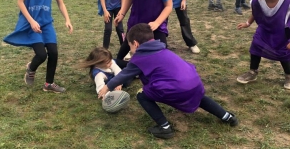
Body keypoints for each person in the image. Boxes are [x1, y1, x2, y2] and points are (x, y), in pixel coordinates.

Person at [98, 23, 238, 139]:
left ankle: (165, 128)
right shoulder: (163, 49)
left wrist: (106, 87)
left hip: (177, 89)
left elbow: (124, 75)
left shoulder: (139, 58)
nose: (130, 48)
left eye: (129, 45)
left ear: (135, 43)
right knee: (199, 97)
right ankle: (227, 117)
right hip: (195, 83)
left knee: (142, 95)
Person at [3, 0, 73, 93]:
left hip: (46, 24)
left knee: (53, 52)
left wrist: (67, 19)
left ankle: (49, 84)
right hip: (32, 23)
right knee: (42, 54)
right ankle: (31, 68)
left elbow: (60, 3)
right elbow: (20, 2)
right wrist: (32, 21)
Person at [236, 0, 290, 89]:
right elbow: (256, 12)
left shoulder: (287, 0)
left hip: (281, 33)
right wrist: (247, 23)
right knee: (256, 46)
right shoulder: (257, 0)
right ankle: (252, 72)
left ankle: (288, 75)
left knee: (284, 54)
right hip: (265, 29)